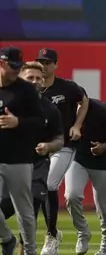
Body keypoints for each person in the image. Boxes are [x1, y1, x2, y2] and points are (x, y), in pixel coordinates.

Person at [0, 62, 64, 255]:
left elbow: (59, 140)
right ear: (21, 78)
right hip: (7, 163)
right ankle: (8, 239)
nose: (35, 82)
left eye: (39, 78)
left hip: (36, 165)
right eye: (30, 78)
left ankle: (27, 250)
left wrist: (48, 146)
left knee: (29, 209)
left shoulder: (50, 109)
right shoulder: (7, 101)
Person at [36, 48, 89, 255]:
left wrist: (77, 125)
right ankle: (51, 233)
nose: (44, 65)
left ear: (56, 65)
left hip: (64, 145)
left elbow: (84, 100)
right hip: (40, 147)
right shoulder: (33, 88)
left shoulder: (66, 87)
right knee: (38, 190)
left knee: (49, 184)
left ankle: (50, 236)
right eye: (41, 61)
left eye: (48, 62)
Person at [64, 98, 106, 255]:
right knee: (71, 195)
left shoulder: (102, 110)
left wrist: (105, 146)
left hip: (103, 162)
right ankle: (82, 232)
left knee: (104, 208)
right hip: (78, 158)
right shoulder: (66, 110)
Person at [0, 47, 46, 255]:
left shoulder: (25, 90)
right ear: (1, 63)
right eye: (12, 66)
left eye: (19, 67)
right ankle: (7, 239)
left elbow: (39, 123)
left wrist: (18, 122)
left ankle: (29, 251)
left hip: (18, 157)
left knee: (24, 211)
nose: (15, 71)